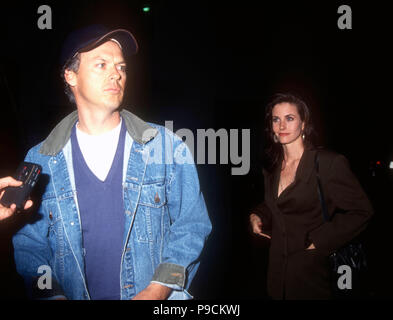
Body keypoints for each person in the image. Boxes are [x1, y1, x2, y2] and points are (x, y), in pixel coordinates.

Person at [12, 25, 211, 300]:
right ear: (71, 75)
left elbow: (191, 225)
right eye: (101, 64)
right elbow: (29, 244)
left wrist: (158, 289)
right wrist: (51, 295)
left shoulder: (166, 146)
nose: (116, 73)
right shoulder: (40, 159)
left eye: (121, 66)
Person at [249, 93, 373, 300]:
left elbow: (362, 211)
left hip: (316, 277)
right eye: (276, 119)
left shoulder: (328, 164)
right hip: (277, 279)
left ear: (303, 123)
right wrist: (258, 215)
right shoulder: (271, 168)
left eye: (289, 118)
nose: (281, 125)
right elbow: (277, 204)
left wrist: (320, 240)